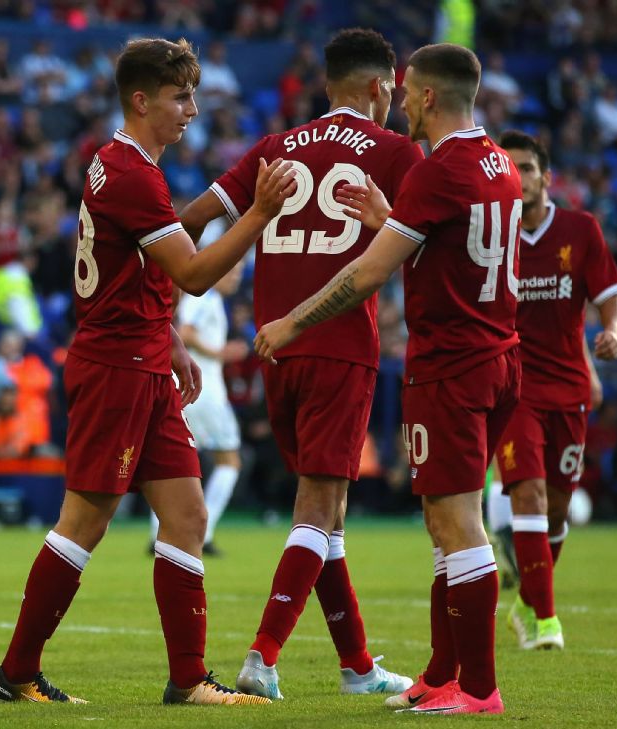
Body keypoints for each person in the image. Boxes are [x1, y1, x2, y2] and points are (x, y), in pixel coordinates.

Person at [0, 37, 295, 706]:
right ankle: (15, 672)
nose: (191, 108)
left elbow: (143, 272)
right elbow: (193, 272)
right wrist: (259, 215)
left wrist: (169, 338)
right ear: (141, 99)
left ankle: (188, 679)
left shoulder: (120, 164)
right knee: (85, 522)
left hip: (145, 358)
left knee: (186, 515)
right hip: (116, 367)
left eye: (193, 95)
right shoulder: (131, 173)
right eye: (180, 96)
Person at [255, 43, 518, 715]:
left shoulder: (436, 170)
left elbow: (365, 275)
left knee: (458, 522)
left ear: (429, 97)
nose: (398, 100)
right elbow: (450, 251)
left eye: (407, 92)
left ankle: (480, 689)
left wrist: (291, 322)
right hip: (495, 356)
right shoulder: (499, 163)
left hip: (452, 365)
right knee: (445, 518)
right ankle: (442, 671)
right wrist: (388, 223)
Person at [180, 28, 422, 700]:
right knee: (317, 509)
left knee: (329, 514)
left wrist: (158, 279)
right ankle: (261, 656)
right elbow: (425, 246)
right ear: (381, 87)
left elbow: (193, 216)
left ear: (325, 86)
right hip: (340, 344)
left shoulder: (275, 146)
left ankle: (356, 665)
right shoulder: (396, 152)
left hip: (275, 349)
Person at [482, 130, 617, 652]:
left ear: (546, 176)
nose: (518, 178)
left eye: (527, 168)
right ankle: (546, 620)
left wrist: (612, 333)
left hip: (569, 387)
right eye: (509, 169)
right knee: (530, 494)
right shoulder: (490, 231)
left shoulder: (580, 230)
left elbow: (609, 299)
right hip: (513, 385)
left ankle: (526, 604)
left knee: (559, 510)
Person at [148, 260, 247, 557]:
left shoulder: (207, 299)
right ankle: (205, 533)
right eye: (230, 271)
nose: (235, 278)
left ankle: (158, 534)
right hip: (207, 393)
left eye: (239, 273)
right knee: (229, 461)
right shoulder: (206, 297)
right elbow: (187, 333)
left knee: (175, 461)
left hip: (191, 388)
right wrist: (220, 353)